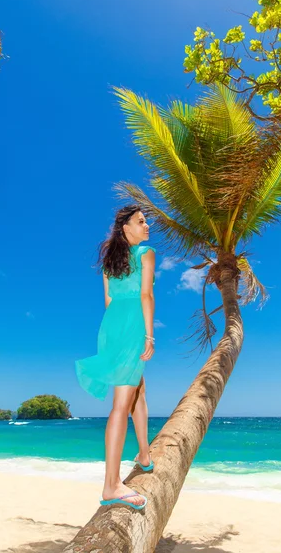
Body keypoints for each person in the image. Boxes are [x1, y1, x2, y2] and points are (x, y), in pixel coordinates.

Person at [75, 204, 156, 510]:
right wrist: (148, 335)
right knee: (121, 404)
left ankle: (145, 453)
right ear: (126, 228)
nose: (147, 226)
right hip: (133, 325)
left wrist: (115, 338)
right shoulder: (146, 254)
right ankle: (111, 485)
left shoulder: (111, 262)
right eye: (141, 221)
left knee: (138, 388)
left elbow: (109, 300)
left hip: (112, 326)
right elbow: (147, 295)